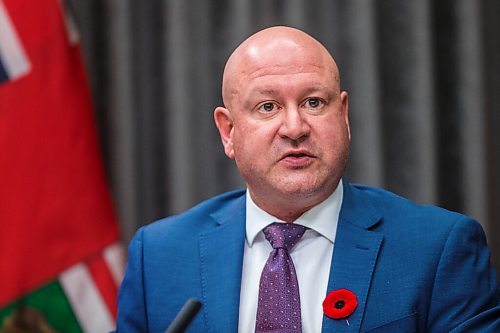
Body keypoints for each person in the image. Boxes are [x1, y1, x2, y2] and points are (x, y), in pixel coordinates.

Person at [114, 26, 500, 332]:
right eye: (268, 107)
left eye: (313, 102)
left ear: (343, 115)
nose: (294, 127)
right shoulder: (160, 257)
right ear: (228, 131)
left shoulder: (437, 249)